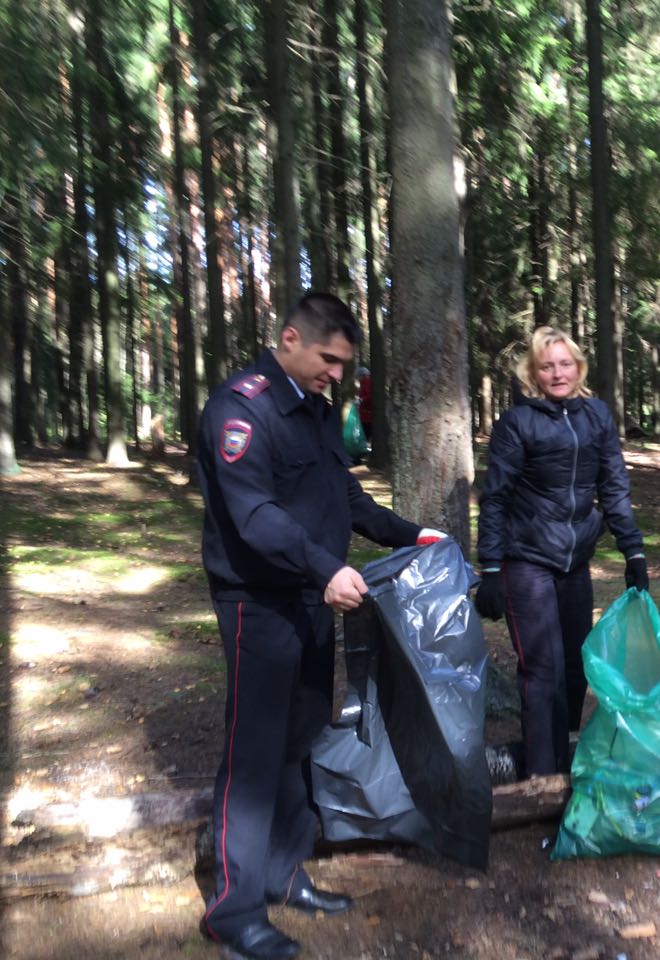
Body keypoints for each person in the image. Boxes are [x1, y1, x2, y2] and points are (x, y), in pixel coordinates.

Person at [196, 292, 440, 960]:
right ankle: (232, 909)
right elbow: (255, 515)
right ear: (290, 338)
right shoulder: (240, 409)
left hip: (311, 600)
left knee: (298, 738)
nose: (337, 374)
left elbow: (345, 497)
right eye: (329, 360)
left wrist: (410, 533)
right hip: (260, 603)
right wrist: (324, 565)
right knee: (252, 754)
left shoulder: (316, 412)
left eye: (344, 364)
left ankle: (281, 870)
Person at [474, 325, 647, 777]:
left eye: (565, 364)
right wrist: (490, 567)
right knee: (541, 669)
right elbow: (495, 497)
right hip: (526, 560)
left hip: (575, 562)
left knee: (574, 666)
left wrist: (634, 553)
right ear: (533, 372)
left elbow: (614, 487)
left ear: (578, 367)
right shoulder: (517, 423)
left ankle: (565, 758)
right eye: (547, 366)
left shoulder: (597, 417)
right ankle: (540, 778)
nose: (557, 373)